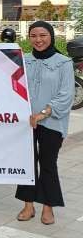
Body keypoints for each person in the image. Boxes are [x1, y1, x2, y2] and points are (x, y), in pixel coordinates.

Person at [15, 21, 74, 226]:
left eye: (43, 35)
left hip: (52, 122)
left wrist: (42, 113)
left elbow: (66, 95)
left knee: (48, 163)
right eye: (33, 36)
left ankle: (48, 206)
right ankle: (28, 205)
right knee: (27, 163)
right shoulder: (23, 60)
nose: (38, 40)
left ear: (51, 36)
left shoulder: (64, 63)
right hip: (25, 123)